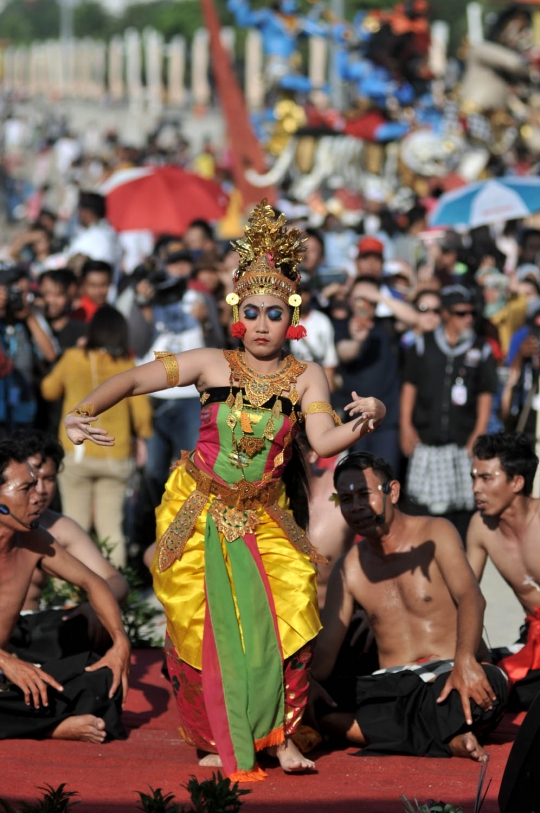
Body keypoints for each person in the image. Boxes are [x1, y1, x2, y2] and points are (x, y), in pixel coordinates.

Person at [63, 199, 386, 782]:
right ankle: (214, 736)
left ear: (293, 318)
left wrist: (369, 416)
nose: (263, 326)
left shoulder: (308, 375)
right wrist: (82, 409)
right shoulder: (213, 364)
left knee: (290, 620)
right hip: (201, 510)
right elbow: (137, 378)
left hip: (268, 516)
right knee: (202, 625)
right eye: (253, 313)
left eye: (275, 315)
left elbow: (322, 439)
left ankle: (280, 735)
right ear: (239, 314)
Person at [308, 452, 508, 761]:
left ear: (393, 491)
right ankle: (449, 738)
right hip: (392, 686)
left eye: (364, 494)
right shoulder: (348, 569)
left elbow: (471, 596)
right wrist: (304, 684)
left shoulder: (435, 532)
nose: (356, 506)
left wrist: (465, 659)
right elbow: (325, 657)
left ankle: (386, 733)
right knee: (319, 700)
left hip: (448, 674)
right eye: (345, 499)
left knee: (492, 684)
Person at [0, 440, 130, 743]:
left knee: (103, 679)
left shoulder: (35, 541)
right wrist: (6, 662)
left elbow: (94, 582)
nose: (38, 497)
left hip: (8, 673)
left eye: (40, 485)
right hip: (6, 665)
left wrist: (120, 643)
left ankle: (33, 720)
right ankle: (52, 727)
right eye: (25, 489)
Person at [41, 305, 153, 568]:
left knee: (73, 525)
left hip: (75, 454)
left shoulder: (73, 357)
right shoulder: (126, 364)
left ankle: (68, 592)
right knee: (111, 527)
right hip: (116, 455)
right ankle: (116, 590)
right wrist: (143, 437)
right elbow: (143, 417)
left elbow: (48, 390)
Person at [8, 429, 128, 660]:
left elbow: (115, 580)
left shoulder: (58, 527)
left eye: (49, 479)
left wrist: (97, 606)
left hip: (32, 630)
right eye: (32, 481)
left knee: (90, 625)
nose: (41, 490)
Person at [401, 284, 499, 539]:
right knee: (421, 508)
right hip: (427, 441)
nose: (467, 318)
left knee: (462, 511)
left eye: (471, 313)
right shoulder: (422, 345)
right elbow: (409, 387)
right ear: (446, 313)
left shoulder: (481, 348)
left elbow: (485, 394)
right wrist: (405, 426)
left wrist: (479, 432)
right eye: (460, 313)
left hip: (461, 442)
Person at [467, 432, 540, 709]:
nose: (476, 488)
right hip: (532, 638)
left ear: (517, 482)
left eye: (486, 478)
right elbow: (465, 596)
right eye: (474, 477)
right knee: (484, 685)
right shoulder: (481, 526)